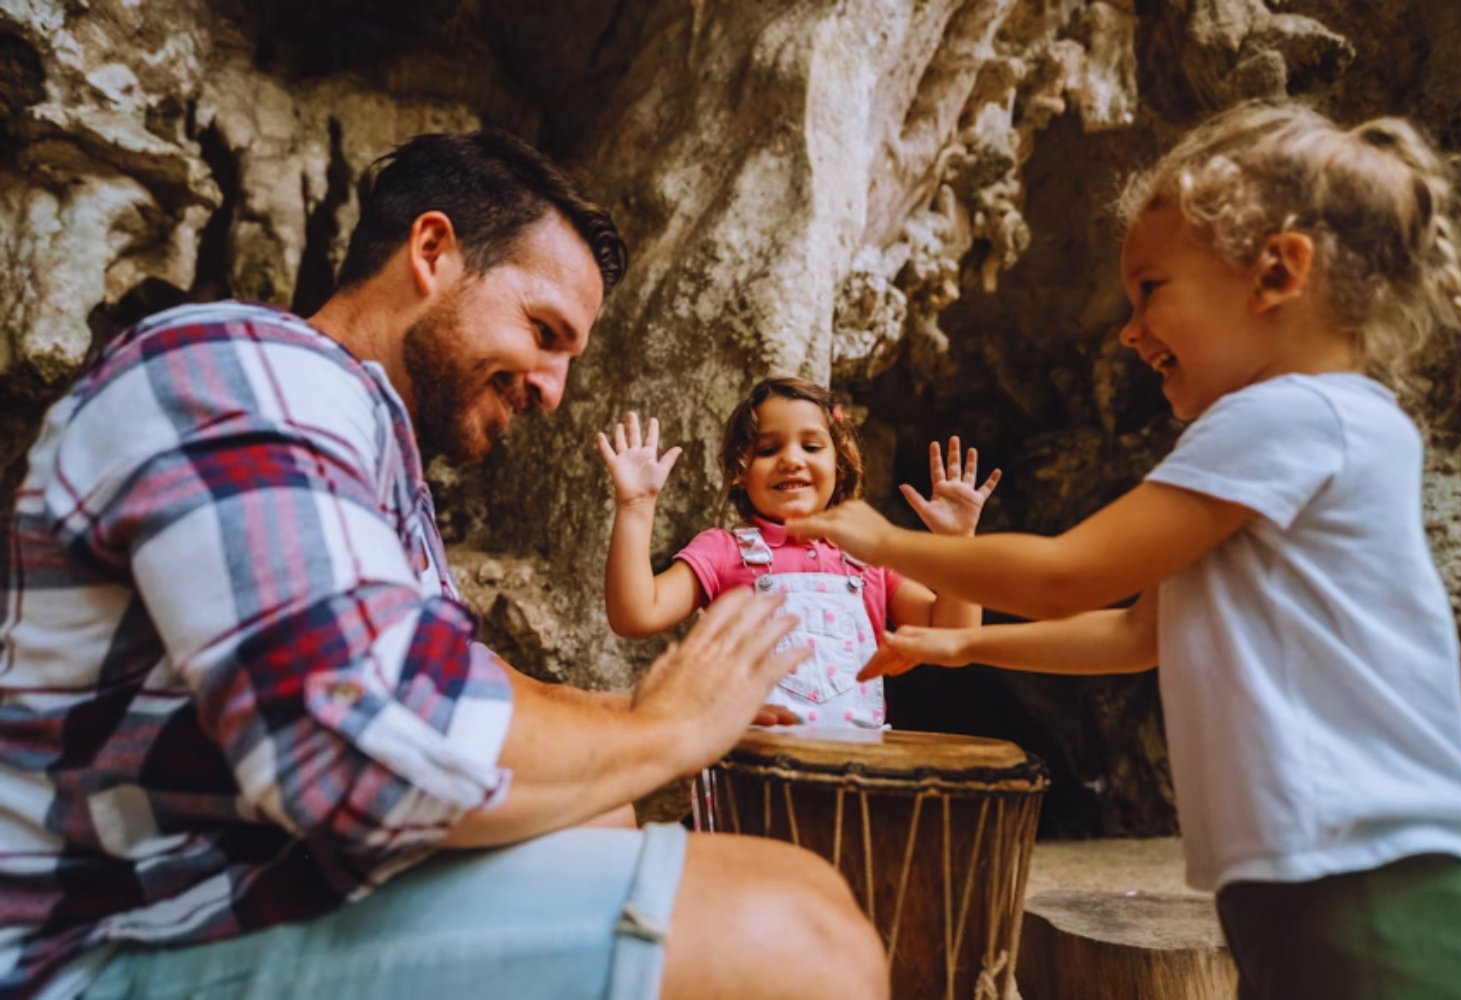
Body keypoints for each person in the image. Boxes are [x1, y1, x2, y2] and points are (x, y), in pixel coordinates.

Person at [0, 131, 887, 1000]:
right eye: (544, 332)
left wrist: (638, 709)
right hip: (100, 947)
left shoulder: (371, 447)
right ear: (433, 251)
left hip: (242, 894)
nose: (553, 389)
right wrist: (667, 733)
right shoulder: (240, 370)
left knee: (613, 817)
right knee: (796, 942)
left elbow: (464, 679)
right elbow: (355, 758)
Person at [791, 102, 1461, 997]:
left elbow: (1071, 571)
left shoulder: (1286, 415)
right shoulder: (1319, 427)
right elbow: (1138, 633)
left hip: (1372, 879)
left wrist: (887, 541)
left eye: (1151, 290)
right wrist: (968, 643)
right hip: (1330, 875)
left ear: (1277, 272)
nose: (1129, 331)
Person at [595, 377, 1000, 729]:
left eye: (811, 446)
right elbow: (635, 614)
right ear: (740, 469)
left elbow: (953, 642)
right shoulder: (722, 550)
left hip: (855, 773)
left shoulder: (868, 558)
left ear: (840, 464)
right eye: (769, 450)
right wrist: (635, 506)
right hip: (750, 774)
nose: (791, 459)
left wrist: (958, 543)